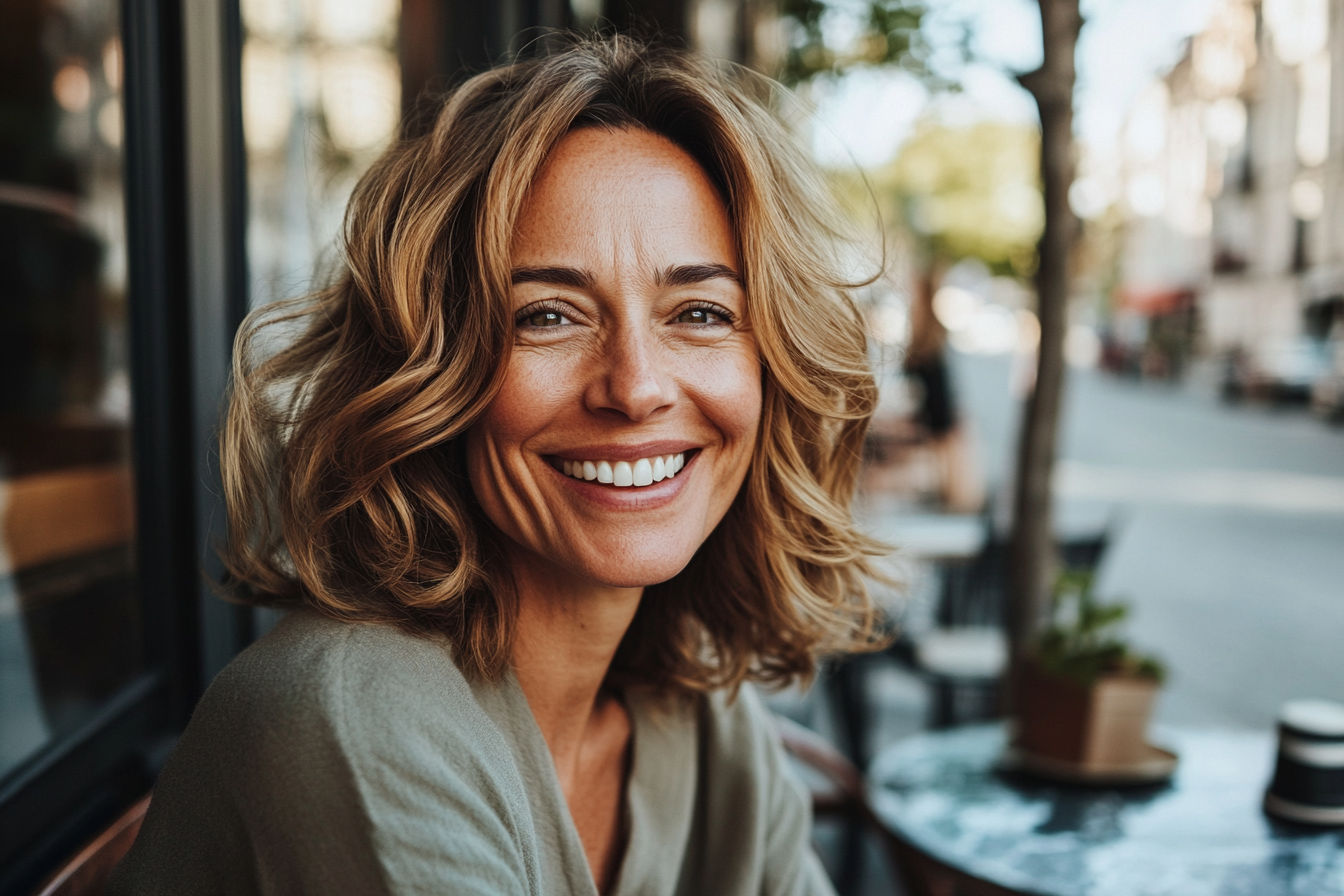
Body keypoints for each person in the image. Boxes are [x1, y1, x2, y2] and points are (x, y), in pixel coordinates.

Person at [109, 35, 885, 896]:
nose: (634, 387)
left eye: (700, 312)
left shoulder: (706, 725)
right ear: (428, 374)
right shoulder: (353, 717)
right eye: (547, 316)